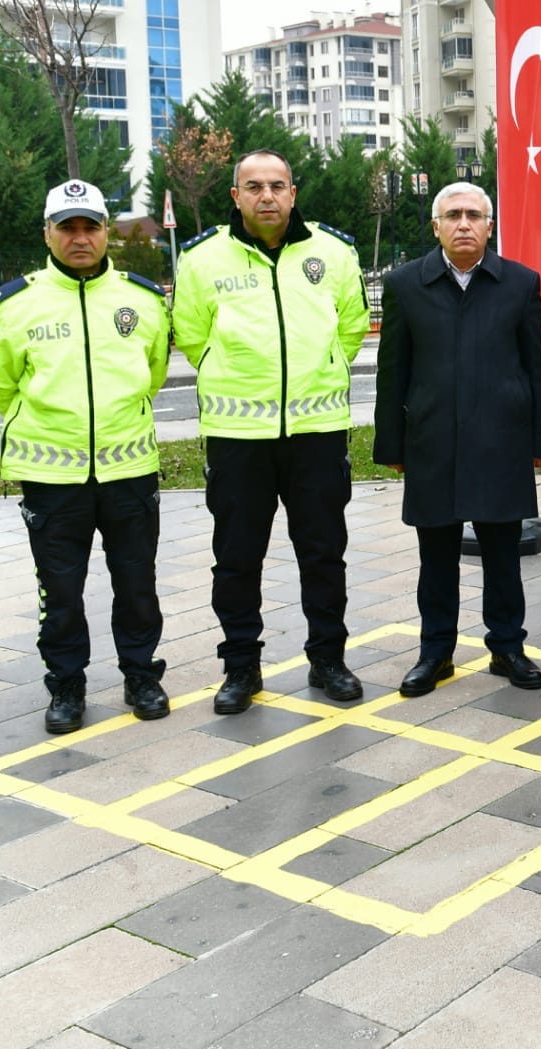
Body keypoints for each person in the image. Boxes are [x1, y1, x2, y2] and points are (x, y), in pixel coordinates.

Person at [174, 150, 369, 715]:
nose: (266, 196)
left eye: (277, 186)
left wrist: (326, 364)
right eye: (253, 186)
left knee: (324, 554)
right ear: (235, 196)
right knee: (237, 559)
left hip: (317, 433)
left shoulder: (334, 252)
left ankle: (327, 659)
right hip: (238, 438)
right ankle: (241, 666)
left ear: (293, 192)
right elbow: (190, 332)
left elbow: (352, 325)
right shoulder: (203, 258)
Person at [0, 179, 172, 734]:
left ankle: (141, 674)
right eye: (68, 227)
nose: (81, 238)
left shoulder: (141, 299)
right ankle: (66, 684)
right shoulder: (15, 304)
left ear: (107, 231)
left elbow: (153, 374)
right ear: (48, 233)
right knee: (59, 591)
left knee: (136, 583)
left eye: (91, 226)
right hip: (51, 476)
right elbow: (1, 384)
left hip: (129, 470)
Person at [374, 183, 541, 698]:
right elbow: (394, 371)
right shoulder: (407, 285)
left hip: (501, 445)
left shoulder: (519, 284)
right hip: (431, 447)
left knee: (503, 556)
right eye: (452, 215)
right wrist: (392, 445)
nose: (463, 224)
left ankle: (507, 647)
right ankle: (436, 652)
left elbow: (537, 366)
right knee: (436, 559)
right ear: (436, 226)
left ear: (489, 225)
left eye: (474, 215)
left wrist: (540, 439)